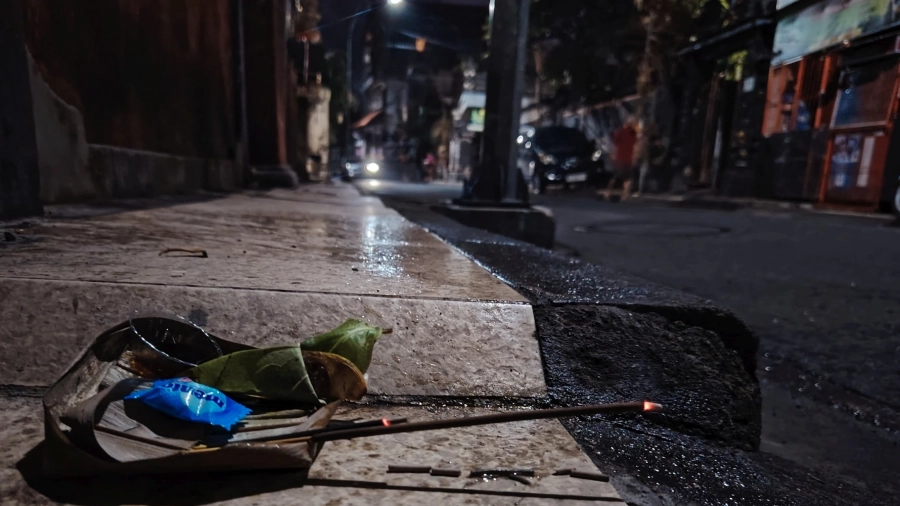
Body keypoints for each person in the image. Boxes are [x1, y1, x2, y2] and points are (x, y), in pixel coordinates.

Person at [603, 118, 639, 201]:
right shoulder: (634, 133)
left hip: (620, 158)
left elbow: (615, 140)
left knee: (615, 177)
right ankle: (625, 195)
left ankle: (608, 193)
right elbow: (636, 145)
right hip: (629, 159)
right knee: (627, 178)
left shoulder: (623, 131)